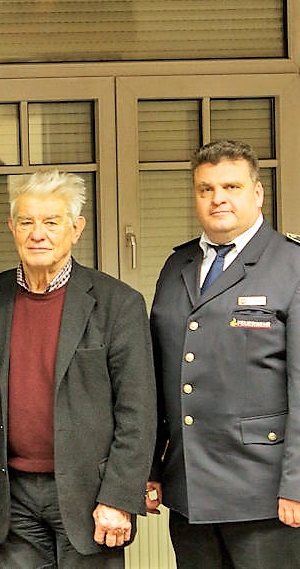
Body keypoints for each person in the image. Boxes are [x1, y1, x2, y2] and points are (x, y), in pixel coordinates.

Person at [0, 169, 156, 568]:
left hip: (91, 496)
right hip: (11, 496)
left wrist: (119, 498)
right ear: (12, 228)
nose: (38, 234)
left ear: (76, 228)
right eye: (27, 222)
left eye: (51, 222)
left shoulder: (117, 304)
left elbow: (137, 411)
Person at [148, 139, 300, 568]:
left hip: (264, 493)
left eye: (231, 187)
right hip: (190, 488)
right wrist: (150, 468)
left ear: (257, 193)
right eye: (206, 189)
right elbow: (161, 377)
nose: (218, 199)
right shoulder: (177, 266)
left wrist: (298, 483)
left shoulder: (291, 265)